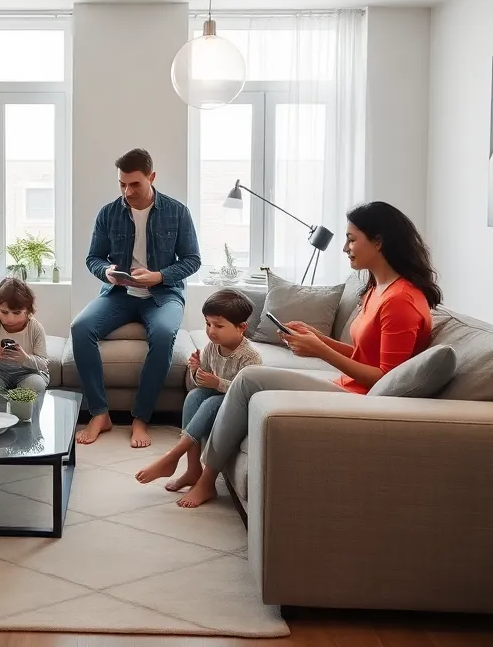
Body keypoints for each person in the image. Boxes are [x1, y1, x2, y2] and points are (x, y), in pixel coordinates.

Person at [177, 201, 442, 507]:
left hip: (365, 399)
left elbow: (385, 378)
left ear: (379, 242)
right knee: (247, 381)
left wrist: (320, 350)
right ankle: (196, 469)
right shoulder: (376, 288)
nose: (345, 247)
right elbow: (362, 354)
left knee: (249, 378)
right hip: (349, 385)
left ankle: (206, 479)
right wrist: (318, 337)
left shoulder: (402, 301)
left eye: (352, 239)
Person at [72, 148, 201, 448]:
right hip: (119, 293)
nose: (127, 191)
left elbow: (192, 260)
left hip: (164, 293)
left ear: (152, 177)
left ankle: (141, 418)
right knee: (81, 328)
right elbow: (93, 258)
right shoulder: (108, 213)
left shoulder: (177, 211)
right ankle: (100, 414)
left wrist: (159, 276)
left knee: (165, 332)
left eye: (135, 184)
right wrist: (106, 272)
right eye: (122, 184)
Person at [134, 290, 261, 496]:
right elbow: (203, 384)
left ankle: (172, 456)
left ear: (242, 327)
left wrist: (217, 382)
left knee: (211, 403)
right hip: (219, 397)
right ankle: (193, 470)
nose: (211, 331)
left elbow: (246, 393)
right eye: (208, 324)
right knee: (195, 396)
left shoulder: (250, 357)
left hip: (238, 406)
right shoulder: (212, 347)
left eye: (219, 326)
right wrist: (196, 370)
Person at [0, 277, 50, 398]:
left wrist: (25, 358)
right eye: (4, 312)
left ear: (27, 311)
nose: (10, 319)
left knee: (34, 385)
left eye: (17, 313)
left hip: (30, 373)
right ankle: (0, 414)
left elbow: (43, 363)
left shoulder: (35, 328)